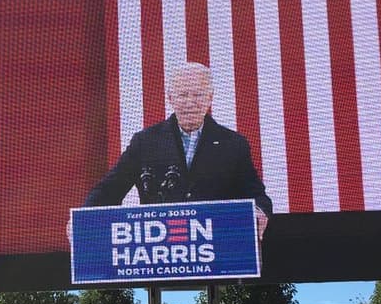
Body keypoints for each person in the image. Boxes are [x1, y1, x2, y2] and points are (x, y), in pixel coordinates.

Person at [82, 61, 271, 238]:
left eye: (198, 95)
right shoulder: (145, 142)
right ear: (171, 98)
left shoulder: (233, 144)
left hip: (215, 242)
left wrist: (259, 212)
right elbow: (109, 190)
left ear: (210, 98)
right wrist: (82, 219)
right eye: (183, 95)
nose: (190, 102)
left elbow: (256, 195)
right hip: (162, 245)